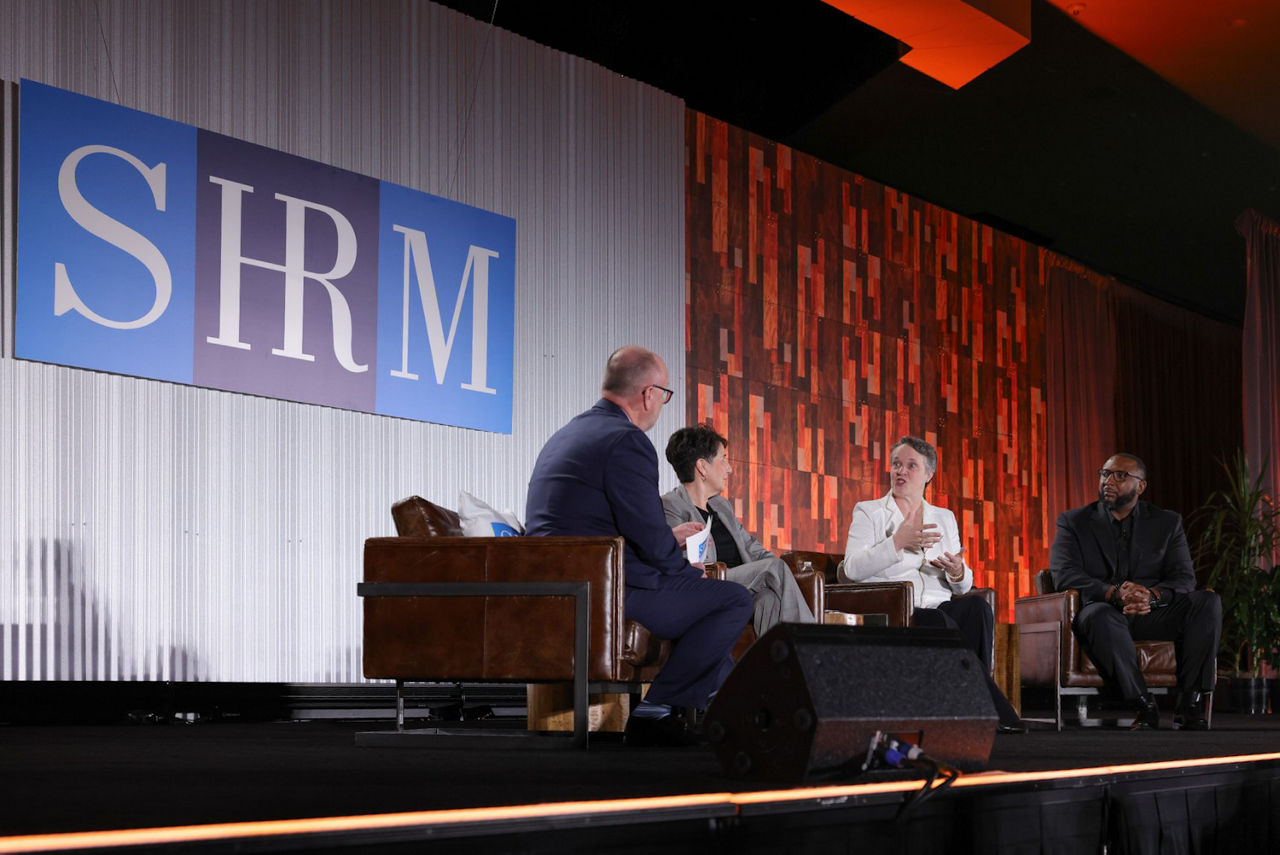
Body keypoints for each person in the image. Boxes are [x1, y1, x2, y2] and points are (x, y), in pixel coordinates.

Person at [524, 346, 754, 747]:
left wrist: (668, 540)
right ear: (649, 394)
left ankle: (739, 707)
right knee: (731, 600)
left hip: (564, 586)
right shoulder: (626, 441)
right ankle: (655, 711)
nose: (661, 404)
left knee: (700, 607)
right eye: (664, 395)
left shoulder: (567, 434)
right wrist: (687, 572)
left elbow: (602, 527)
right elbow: (648, 539)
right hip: (601, 594)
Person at [841, 436, 1024, 733]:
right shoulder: (869, 512)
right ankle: (990, 709)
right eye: (896, 464)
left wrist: (956, 570)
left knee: (977, 608)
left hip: (939, 605)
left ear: (928, 475)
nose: (901, 471)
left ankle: (968, 706)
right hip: (897, 608)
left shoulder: (944, 517)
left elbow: (963, 587)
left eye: (911, 466)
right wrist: (897, 541)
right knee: (938, 621)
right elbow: (851, 569)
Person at [1049, 453, 1221, 730]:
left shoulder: (1166, 522)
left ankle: (1190, 704)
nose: (1108, 481)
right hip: (1102, 611)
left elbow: (1183, 578)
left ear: (1140, 486)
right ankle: (1143, 704)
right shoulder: (1074, 521)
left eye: (1120, 475)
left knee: (1206, 602)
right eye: (1104, 474)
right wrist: (1116, 593)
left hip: (1151, 612)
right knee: (1099, 616)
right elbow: (1064, 574)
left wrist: (1152, 596)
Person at [661, 424, 816, 636]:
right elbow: (681, 560)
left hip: (742, 587)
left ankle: (776, 667)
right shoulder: (671, 505)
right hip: (709, 583)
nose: (729, 468)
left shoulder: (722, 507)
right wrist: (777, 572)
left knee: (769, 600)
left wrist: (783, 579)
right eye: (723, 459)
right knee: (775, 568)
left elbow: (753, 549)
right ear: (702, 467)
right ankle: (813, 647)